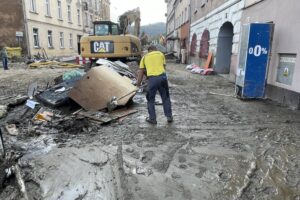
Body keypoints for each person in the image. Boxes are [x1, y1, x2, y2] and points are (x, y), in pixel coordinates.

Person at [136, 45, 173, 124]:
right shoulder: (160, 54)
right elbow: (163, 67)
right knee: (165, 97)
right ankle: (169, 116)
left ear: (149, 50)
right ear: (155, 49)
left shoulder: (145, 57)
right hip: (162, 78)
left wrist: (138, 84)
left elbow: (141, 72)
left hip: (152, 79)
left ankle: (152, 119)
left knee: (150, 99)